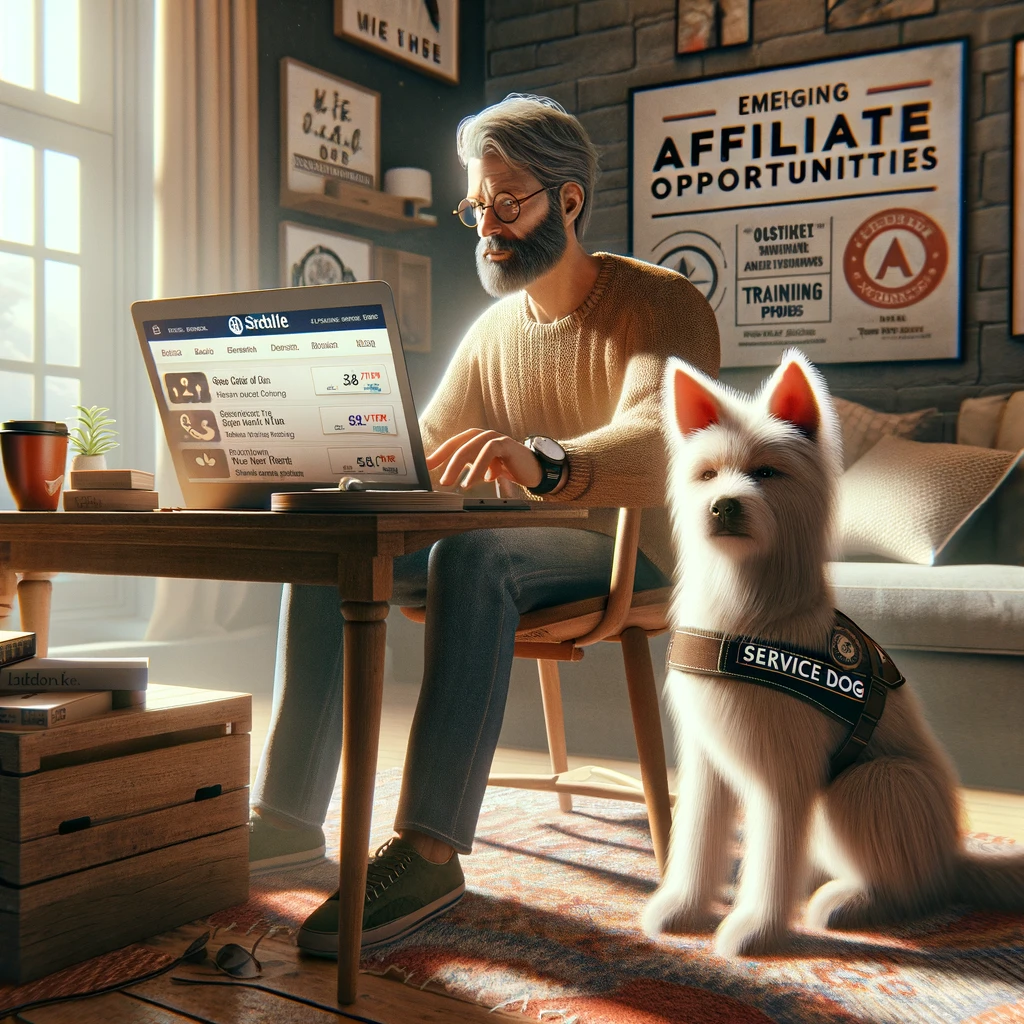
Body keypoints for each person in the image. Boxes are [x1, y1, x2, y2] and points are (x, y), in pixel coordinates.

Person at [249, 93, 721, 955]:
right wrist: (341, 467)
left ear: (568, 201)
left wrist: (542, 459)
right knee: (331, 553)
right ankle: (284, 819)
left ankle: (428, 853)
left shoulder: (663, 301)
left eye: (508, 201)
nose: (487, 224)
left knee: (479, 558)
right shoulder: (493, 329)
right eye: (478, 205)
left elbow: (665, 439)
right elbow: (420, 452)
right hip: (521, 547)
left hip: (632, 554)